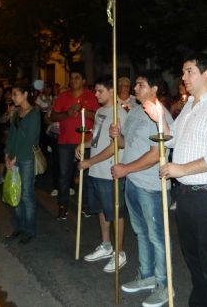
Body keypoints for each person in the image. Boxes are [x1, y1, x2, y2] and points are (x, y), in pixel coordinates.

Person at [142, 53, 207, 307]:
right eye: (183, 72)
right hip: (188, 196)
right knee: (194, 260)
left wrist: (181, 169)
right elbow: (172, 139)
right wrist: (158, 117)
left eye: (189, 71)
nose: (183, 78)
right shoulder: (190, 105)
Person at [111, 70, 175, 307]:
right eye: (136, 84)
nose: (135, 88)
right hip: (134, 183)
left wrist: (126, 169)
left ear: (155, 88)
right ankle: (147, 275)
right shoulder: (137, 111)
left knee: (158, 238)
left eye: (140, 84)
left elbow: (155, 154)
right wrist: (116, 136)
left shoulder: (160, 115)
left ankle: (164, 286)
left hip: (151, 186)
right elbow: (128, 144)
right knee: (141, 232)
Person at [77, 75, 129, 273]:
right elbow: (97, 139)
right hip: (97, 170)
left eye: (100, 91)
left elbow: (114, 146)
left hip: (110, 171)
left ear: (111, 91)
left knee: (115, 212)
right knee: (101, 209)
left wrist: (90, 161)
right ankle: (106, 245)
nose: (96, 94)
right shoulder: (99, 111)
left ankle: (120, 252)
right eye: (96, 90)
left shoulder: (119, 114)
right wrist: (83, 144)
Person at [50, 70, 99, 220]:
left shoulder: (91, 96)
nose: (73, 80)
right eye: (71, 78)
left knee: (86, 176)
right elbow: (52, 116)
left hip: (86, 142)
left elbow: (99, 115)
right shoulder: (63, 97)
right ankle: (63, 206)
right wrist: (67, 114)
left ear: (83, 80)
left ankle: (85, 205)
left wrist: (83, 111)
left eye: (77, 78)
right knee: (64, 175)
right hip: (65, 142)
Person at [4, 83, 41, 244]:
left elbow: (31, 139)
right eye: (12, 95)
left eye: (15, 94)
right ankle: (19, 227)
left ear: (25, 94)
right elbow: (11, 135)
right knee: (15, 193)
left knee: (26, 194)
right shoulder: (16, 113)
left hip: (25, 159)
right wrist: (7, 155)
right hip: (14, 158)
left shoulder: (34, 114)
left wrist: (15, 158)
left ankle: (29, 229)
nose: (13, 98)